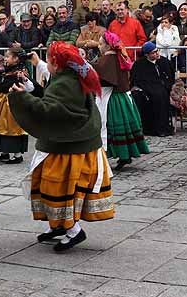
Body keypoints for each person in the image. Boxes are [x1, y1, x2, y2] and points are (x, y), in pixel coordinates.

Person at [7, 41, 113, 252]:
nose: (45, 63)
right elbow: (51, 100)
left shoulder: (65, 83)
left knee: (56, 188)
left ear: (55, 62)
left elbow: (50, 110)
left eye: (47, 59)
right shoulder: (67, 77)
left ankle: (73, 230)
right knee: (51, 186)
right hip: (70, 143)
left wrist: (21, 98)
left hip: (68, 148)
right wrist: (30, 87)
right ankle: (58, 225)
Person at [94, 32, 148, 170]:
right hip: (122, 97)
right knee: (123, 128)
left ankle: (106, 156)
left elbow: (103, 77)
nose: (99, 46)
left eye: (101, 44)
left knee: (108, 128)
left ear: (108, 45)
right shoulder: (118, 57)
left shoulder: (108, 59)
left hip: (112, 98)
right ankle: (124, 155)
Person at [0, 47, 32, 164]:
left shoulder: (21, 72)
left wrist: (24, 80)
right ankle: (4, 152)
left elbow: (29, 87)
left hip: (13, 103)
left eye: (8, 56)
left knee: (13, 128)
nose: (5, 58)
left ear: (16, 59)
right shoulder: (5, 70)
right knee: (0, 126)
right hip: (2, 102)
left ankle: (17, 155)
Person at [131, 41, 175, 137]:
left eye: (157, 51)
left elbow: (170, 77)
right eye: (154, 52)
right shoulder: (139, 64)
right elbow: (136, 80)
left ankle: (161, 127)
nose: (157, 54)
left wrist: (166, 86)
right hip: (146, 89)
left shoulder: (164, 62)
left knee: (160, 95)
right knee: (139, 97)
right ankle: (145, 127)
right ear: (147, 55)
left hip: (161, 88)